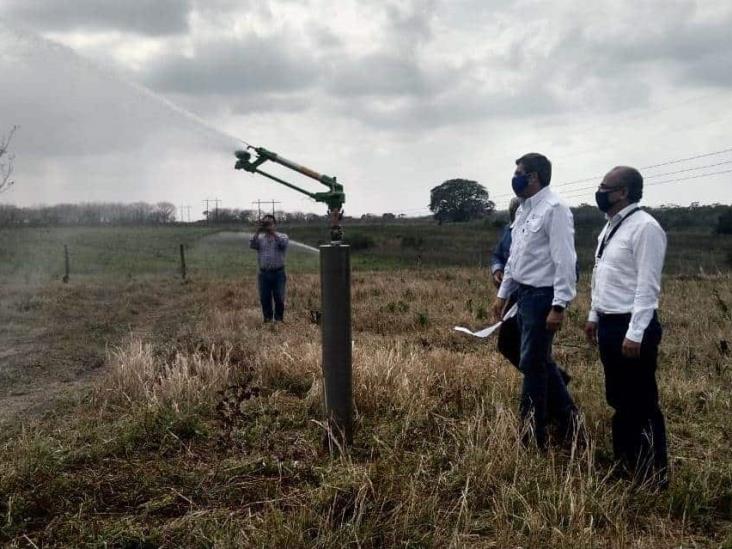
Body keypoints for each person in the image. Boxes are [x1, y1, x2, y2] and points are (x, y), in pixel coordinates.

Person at [584, 166, 668, 486]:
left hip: (632, 327)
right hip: (608, 323)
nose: (600, 191)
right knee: (618, 398)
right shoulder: (610, 228)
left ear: (623, 192)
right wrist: (594, 315)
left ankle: (653, 474)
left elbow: (647, 287)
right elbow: (600, 275)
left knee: (642, 401)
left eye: (606, 186)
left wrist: (635, 332)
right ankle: (626, 464)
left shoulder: (645, 228)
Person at [492, 152, 578, 449]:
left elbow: (565, 260)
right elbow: (516, 257)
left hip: (543, 296)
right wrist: (503, 294)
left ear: (535, 176)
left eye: (519, 172)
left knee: (533, 364)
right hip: (523, 295)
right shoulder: (524, 210)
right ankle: (569, 419)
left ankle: (533, 434)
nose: (515, 178)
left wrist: (559, 305)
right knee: (529, 357)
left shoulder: (555, 209)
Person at [492, 197, 573, 388]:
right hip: (516, 298)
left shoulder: (546, 228)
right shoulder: (509, 231)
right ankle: (556, 389)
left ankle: (553, 405)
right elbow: (500, 255)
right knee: (514, 346)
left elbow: (569, 266)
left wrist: (558, 303)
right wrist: (497, 270)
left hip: (538, 298)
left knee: (532, 356)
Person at [249, 214, 289, 323]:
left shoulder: (282, 236)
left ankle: (279, 320)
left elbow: (283, 244)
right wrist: (257, 230)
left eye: (270, 223)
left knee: (279, 298)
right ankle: (267, 320)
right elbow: (252, 245)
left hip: (278, 273)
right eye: (265, 223)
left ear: (275, 225)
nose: (267, 226)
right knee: (265, 298)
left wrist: (272, 232)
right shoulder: (260, 239)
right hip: (263, 274)